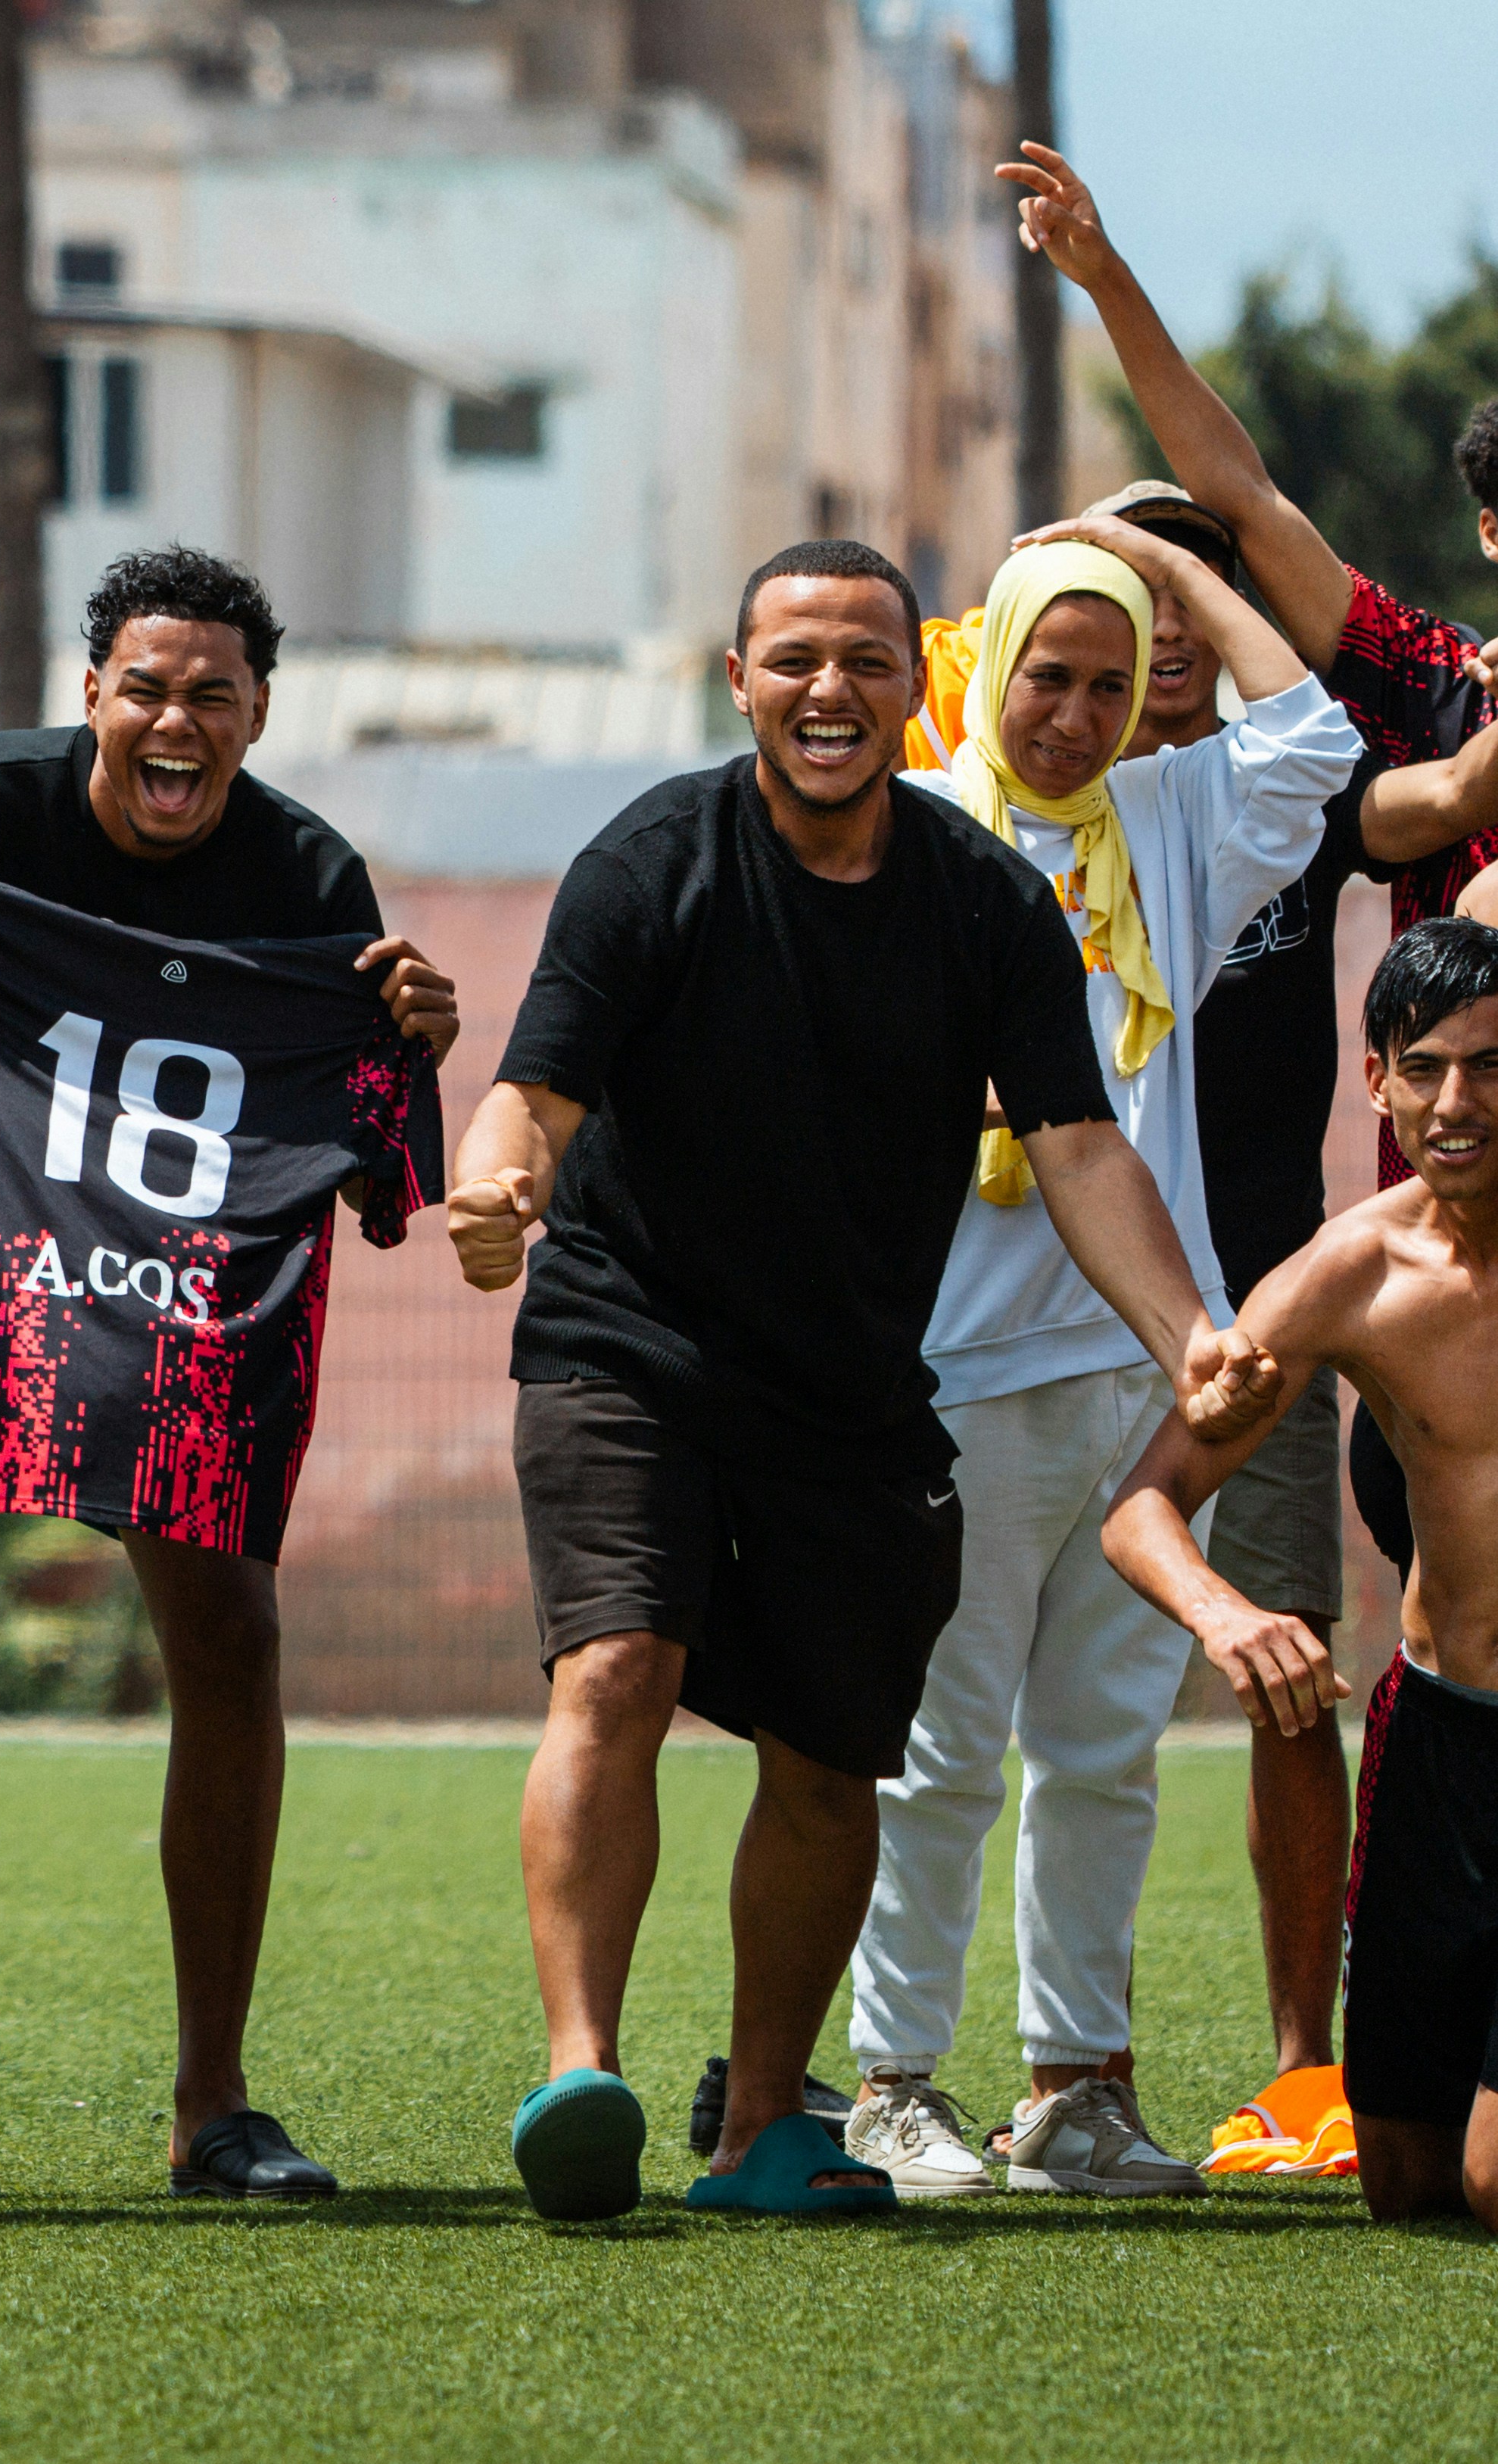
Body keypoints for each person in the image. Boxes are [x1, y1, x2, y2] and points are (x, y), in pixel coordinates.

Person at [449, 538, 1278, 2220]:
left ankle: (766, 2122)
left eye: (865, 662)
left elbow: (1073, 1143)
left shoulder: (982, 899)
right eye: (794, 659)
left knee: (835, 1748)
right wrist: (492, 1189)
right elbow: (533, 1090)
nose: (828, 690)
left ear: (917, 687)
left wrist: (1186, 1332)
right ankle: (577, 2071)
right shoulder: (653, 859)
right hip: (632, 1333)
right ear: (737, 678)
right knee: (616, 1660)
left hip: (848, 1372)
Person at [0, 544, 456, 2201]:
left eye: (212, 695)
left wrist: (410, 1035)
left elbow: (369, 1143)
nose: (176, 722)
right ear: (89, 689)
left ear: (256, 713)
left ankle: (212, 2102)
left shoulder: (309, 870)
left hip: (172, 1286)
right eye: (146, 687)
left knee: (229, 1628)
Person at [963, 148, 1498, 2126]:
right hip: (1224, 1303)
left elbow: (1409, 801)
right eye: (1109, 621)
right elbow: (1252, 511)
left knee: (1360, 1663)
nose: (1153, 648)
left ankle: (1333, 2054)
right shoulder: (1008, 819)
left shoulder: (1304, 786)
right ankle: (1300, 2068)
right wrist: (1103, 285)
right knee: (1334, 1662)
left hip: (1276, 1287)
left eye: (1168, 615)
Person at [829, 517, 1351, 2198]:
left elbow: (1314, 737)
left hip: (1153, 1356)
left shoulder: (1171, 816)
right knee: (942, 1744)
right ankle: (891, 2081)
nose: (1071, 711)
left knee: (1105, 1749)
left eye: (1110, 681)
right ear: (988, 664)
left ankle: (1073, 2090)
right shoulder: (902, 834)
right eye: (1044, 671)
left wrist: (1149, 556)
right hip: (957, 1362)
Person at [1106, 917, 1498, 2229]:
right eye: (1427, 1067)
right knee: (1403, 2185)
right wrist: (1227, 1614)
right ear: (1375, 1077)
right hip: (1441, 1745)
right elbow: (1143, 1508)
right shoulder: (1353, 1273)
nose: (1457, 1103)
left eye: (1494, 1067)